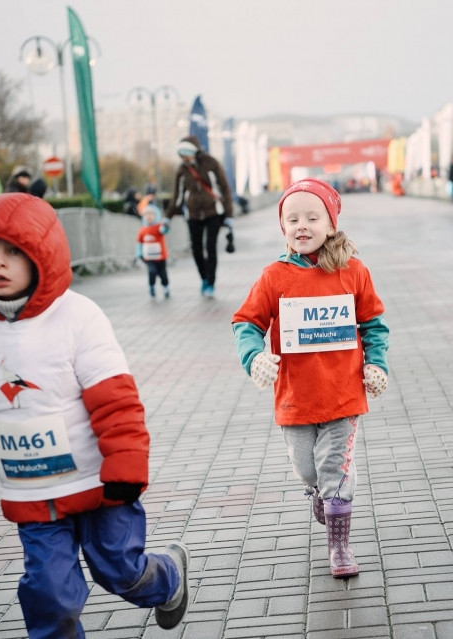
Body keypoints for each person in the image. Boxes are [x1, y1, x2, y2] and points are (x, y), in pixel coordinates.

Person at [0, 193, 190, 637]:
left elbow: (116, 400)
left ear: (42, 255)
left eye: (13, 252)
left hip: (100, 484)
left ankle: (167, 577)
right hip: (32, 491)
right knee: (49, 593)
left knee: (120, 571)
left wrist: (126, 468)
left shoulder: (78, 317)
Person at [230, 178, 389, 578]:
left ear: (331, 223)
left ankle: (339, 547)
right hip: (295, 398)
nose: (302, 225)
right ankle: (318, 492)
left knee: (336, 469)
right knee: (308, 469)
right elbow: (245, 322)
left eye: (312, 217)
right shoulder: (275, 277)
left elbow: (373, 323)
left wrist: (377, 364)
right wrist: (254, 357)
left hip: (343, 395)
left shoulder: (354, 271)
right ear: (282, 228)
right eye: (292, 219)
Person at [165, 136, 234, 298]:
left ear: (194, 152)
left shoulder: (211, 164)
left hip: (213, 213)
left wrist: (229, 215)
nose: (184, 158)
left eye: (186, 154)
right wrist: (168, 217)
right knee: (196, 249)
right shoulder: (182, 170)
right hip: (193, 215)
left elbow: (224, 189)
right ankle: (203, 278)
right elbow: (178, 196)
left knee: (211, 248)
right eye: (181, 156)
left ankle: (211, 282)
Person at [136, 186, 170, 299]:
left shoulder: (158, 227)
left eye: (151, 215)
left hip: (160, 257)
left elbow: (163, 230)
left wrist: (166, 226)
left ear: (156, 215)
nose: (149, 217)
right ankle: (152, 287)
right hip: (149, 257)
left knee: (163, 274)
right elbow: (139, 242)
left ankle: (165, 287)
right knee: (152, 272)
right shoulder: (143, 230)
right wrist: (139, 254)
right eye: (147, 215)